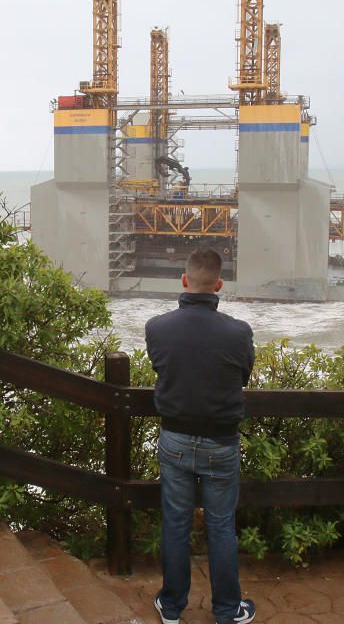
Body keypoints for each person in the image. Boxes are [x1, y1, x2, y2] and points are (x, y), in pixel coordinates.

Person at [146, 248, 256, 624]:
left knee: (175, 523)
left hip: (175, 438)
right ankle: (227, 610)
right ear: (219, 285)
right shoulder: (239, 333)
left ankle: (172, 606)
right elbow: (242, 377)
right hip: (221, 442)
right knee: (221, 526)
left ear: (184, 280)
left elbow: (163, 369)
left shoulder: (156, 328)